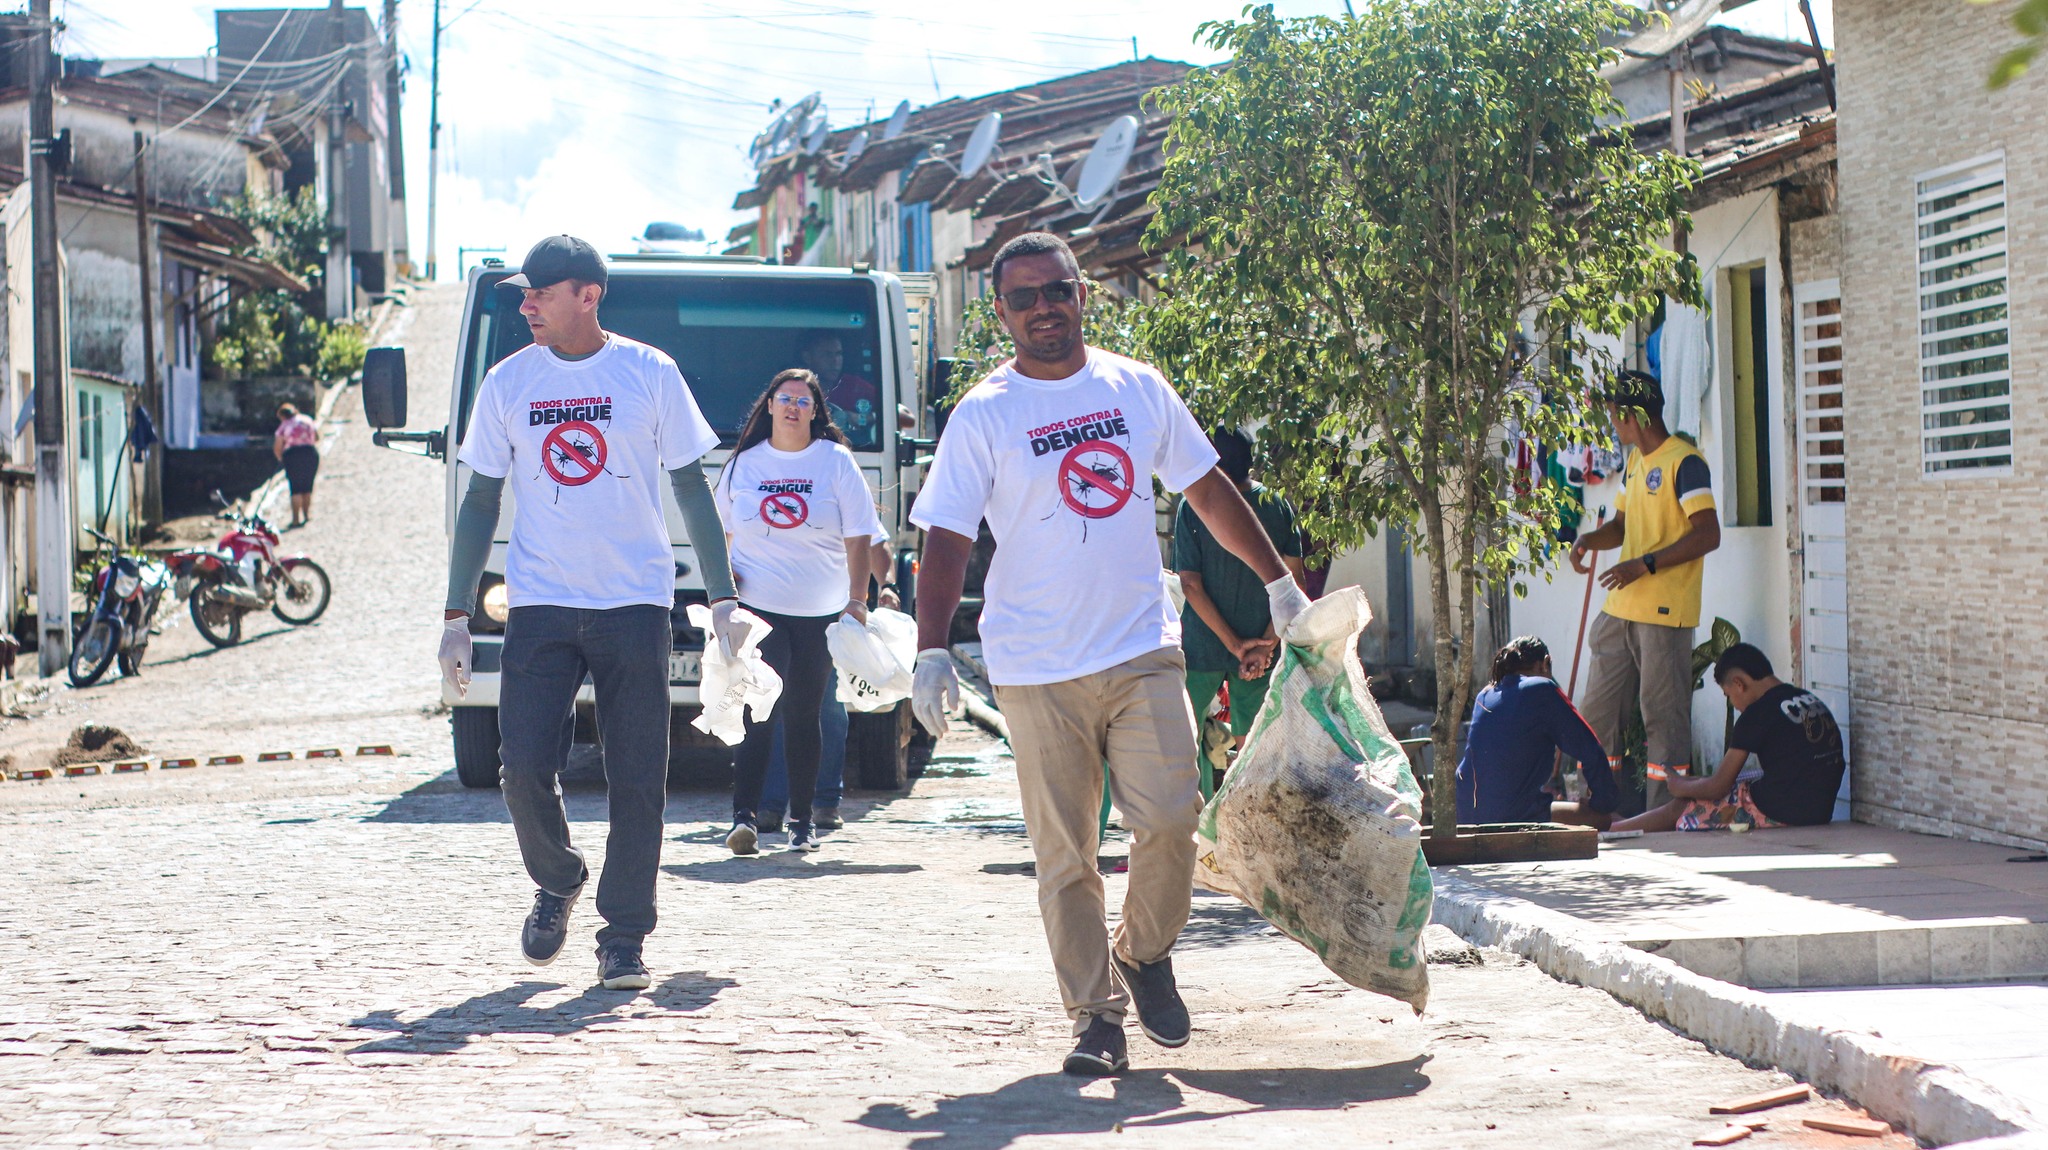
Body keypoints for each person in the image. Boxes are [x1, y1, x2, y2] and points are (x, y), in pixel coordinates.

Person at [909, 232, 1310, 1077]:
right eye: (1025, 298)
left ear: (1083, 293)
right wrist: (932, 651)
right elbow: (945, 539)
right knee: (1067, 856)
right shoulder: (983, 412)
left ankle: (1146, 951)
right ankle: (1095, 1017)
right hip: (1033, 665)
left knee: (1171, 819)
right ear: (1001, 312)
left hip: (1139, 648)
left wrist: (1278, 582)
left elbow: (1206, 487)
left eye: (1057, 289)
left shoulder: (1135, 387)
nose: (1044, 308)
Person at [438, 234, 743, 991]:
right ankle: (559, 876)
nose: (526, 303)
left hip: (633, 601)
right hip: (539, 604)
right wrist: (452, 613)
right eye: (522, 293)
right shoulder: (508, 381)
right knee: (521, 769)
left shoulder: (648, 372)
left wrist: (725, 595)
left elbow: (692, 488)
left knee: (639, 776)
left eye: (539, 291)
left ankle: (625, 936)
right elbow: (480, 497)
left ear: (589, 295)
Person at [715, 368, 885, 855]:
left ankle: (802, 820)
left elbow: (859, 535)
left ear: (816, 411)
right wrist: (722, 589)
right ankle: (743, 817)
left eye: (803, 401)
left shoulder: (835, 462)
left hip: (819, 610)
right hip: (758, 609)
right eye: (784, 399)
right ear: (768, 406)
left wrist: (858, 599)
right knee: (756, 710)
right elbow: (719, 535)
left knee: (805, 713)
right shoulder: (743, 465)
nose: (792, 407)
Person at [1567, 369, 1721, 809]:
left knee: (1663, 720)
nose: (1612, 424)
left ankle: (1663, 813)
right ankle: (1601, 806)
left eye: (1615, 415)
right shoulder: (1635, 461)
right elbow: (1619, 527)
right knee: (1598, 713)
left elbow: (1707, 534)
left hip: (1664, 612)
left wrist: (1646, 564)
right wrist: (1585, 541)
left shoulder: (1685, 462)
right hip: (1621, 607)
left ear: (1632, 416)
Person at [1173, 428, 1308, 798]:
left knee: (1183, 738)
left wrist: (1234, 645)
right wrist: (1265, 644)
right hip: (1262, 647)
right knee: (1254, 746)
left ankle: (1195, 830)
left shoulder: (1193, 506)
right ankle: (1249, 826)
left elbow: (1190, 585)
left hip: (1202, 645)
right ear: (1252, 460)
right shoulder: (1278, 505)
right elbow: (1292, 581)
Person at [1611, 644, 1844, 832]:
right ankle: (1627, 822)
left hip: (1784, 810)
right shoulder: (1806, 697)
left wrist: (1679, 786)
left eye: (1728, 695)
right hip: (1819, 809)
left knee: (1684, 805)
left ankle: (1613, 829)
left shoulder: (1756, 714)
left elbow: (1717, 788)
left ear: (1739, 684)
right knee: (1721, 781)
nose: (1732, 703)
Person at [1454, 636, 1619, 828]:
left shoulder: (1485, 694)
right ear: (1545, 663)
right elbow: (1590, 750)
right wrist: (1602, 803)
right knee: (1602, 819)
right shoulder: (1542, 688)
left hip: (1466, 814)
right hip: (1513, 817)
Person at [798, 330, 880, 448]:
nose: (835, 361)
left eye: (838, 354)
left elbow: (895, 411)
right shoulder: (795, 388)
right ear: (807, 357)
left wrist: (865, 418)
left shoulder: (855, 386)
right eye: (827, 354)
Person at [273, 403, 320, 527]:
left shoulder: (284, 426)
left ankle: (295, 519)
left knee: (295, 488)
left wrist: (280, 459)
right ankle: (306, 515)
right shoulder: (308, 420)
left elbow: (278, 446)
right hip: (310, 453)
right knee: (307, 485)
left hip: (293, 455)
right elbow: (317, 437)